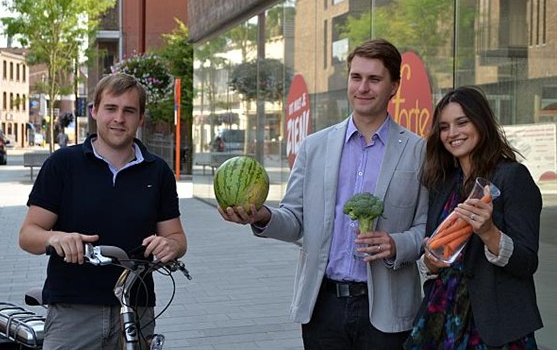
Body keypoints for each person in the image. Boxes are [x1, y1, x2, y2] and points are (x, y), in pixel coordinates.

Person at [219, 38, 428, 349]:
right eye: (356, 77)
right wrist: (262, 217)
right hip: (323, 306)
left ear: (394, 86)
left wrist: (395, 244)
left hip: (387, 309)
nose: (363, 88)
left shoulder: (418, 151)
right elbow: (294, 219)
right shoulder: (315, 147)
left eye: (374, 79)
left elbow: (426, 230)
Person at [19, 73, 188, 350]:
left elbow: (178, 238)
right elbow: (28, 235)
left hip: (136, 308)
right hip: (73, 309)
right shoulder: (63, 164)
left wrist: (170, 245)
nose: (119, 118)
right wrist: (55, 238)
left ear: (141, 118)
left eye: (129, 111)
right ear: (95, 111)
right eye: (111, 108)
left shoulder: (158, 172)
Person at [406, 86, 543, 349]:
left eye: (462, 122)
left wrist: (489, 233)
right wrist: (431, 261)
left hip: (495, 325)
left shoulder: (512, 177)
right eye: (444, 127)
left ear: (481, 123)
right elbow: (433, 256)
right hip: (443, 316)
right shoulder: (443, 182)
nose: (452, 133)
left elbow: (527, 262)